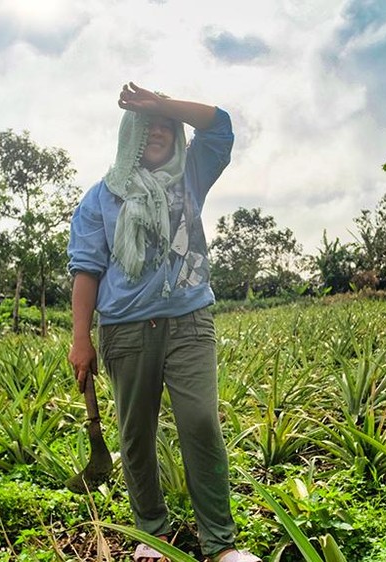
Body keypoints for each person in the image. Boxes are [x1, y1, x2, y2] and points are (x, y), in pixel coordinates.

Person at [67, 83, 260, 562]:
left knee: (200, 422)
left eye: (164, 125)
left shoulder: (191, 174)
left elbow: (220, 124)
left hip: (190, 320)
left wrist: (161, 104)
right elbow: (86, 270)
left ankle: (220, 544)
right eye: (145, 124)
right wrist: (80, 341)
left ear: (176, 132)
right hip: (126, 330)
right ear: (127, 135)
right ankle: (151, 533)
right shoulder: (101, 198)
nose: (155, 131)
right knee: (135, 435)